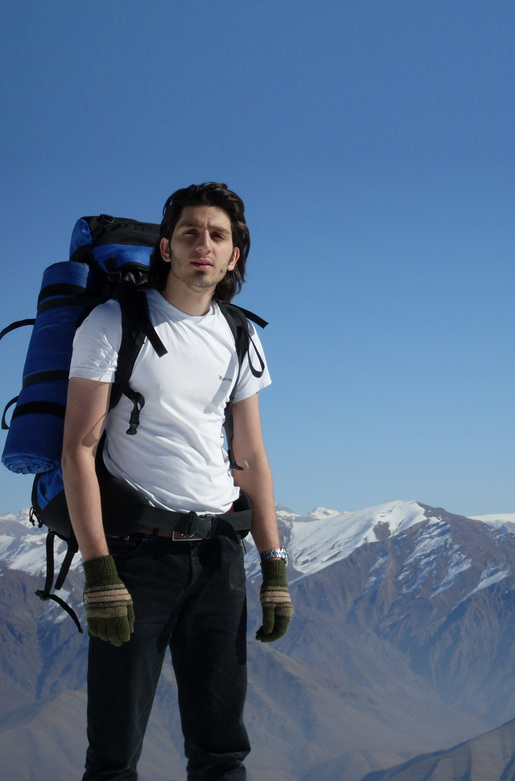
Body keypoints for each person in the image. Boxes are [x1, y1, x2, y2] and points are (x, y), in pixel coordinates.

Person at [61, 182, 292, 780]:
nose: (203, 245)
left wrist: (273, 567)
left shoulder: (241, 334)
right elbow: (79, 448)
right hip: (137, 557)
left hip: (219, 555)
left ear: (234, 254)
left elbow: (252, 457)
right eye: (190, 233)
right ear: (165, 247)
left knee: (221, 750)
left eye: (218, 236)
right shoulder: (113, 324)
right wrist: (99, 570)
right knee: (114, 753)